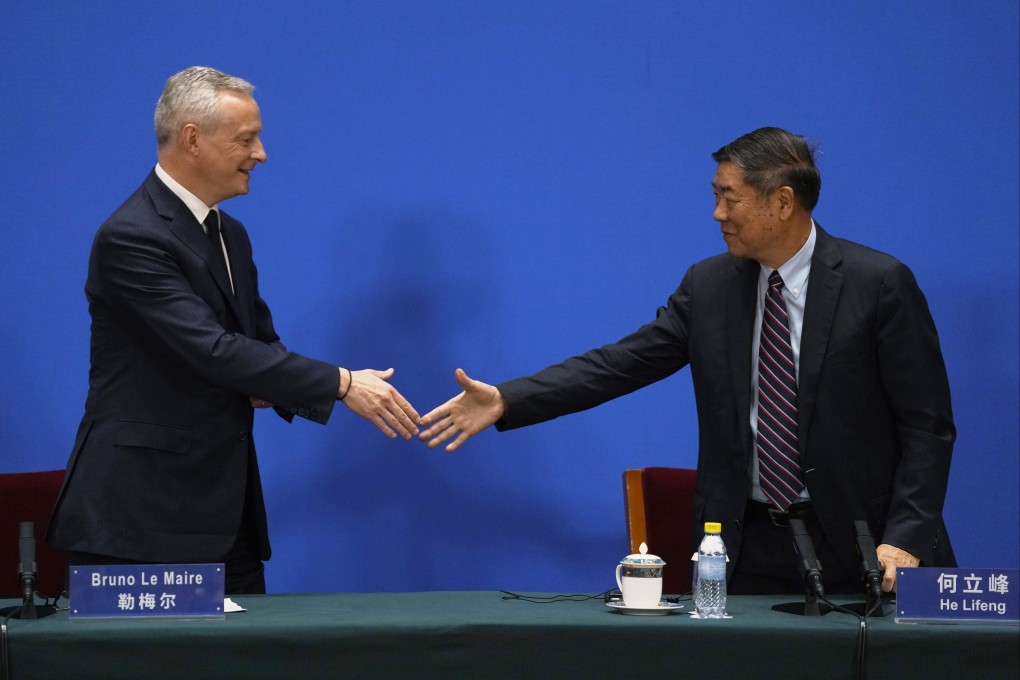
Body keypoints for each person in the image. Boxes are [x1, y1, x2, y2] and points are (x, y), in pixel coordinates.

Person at [419, 127, 955, 595]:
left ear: (783, 202)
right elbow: (619, 364)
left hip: (862, 547)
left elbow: (927, 426)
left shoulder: (878, 284)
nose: (717, 213)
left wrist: (904, 538)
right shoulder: (710, 286)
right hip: (745, 550)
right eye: (716, 196)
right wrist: (509, 400)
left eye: (730, 198)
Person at [46, 66, 421, 594]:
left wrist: (279, 385)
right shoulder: (131, 236)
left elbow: (256, 344)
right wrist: (341, 383)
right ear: (192, 140)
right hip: (139, 522)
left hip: (225, 519)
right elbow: (212, 350)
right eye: (246, 139)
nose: (261, 153)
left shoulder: (230, 234)